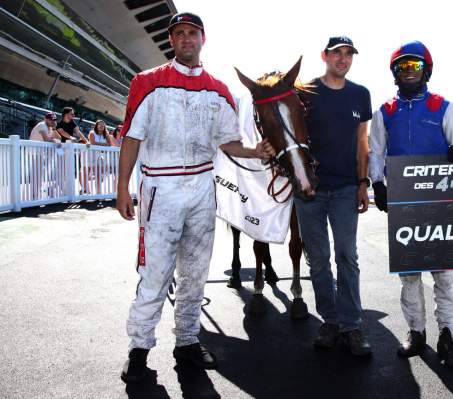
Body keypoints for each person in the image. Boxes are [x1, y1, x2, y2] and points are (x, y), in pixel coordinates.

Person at [116, 12, 275, 383]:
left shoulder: (219, 90)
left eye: (192, 33)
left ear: (203, 39)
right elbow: (132, 138)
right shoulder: (147, 82)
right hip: (160, 188)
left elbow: (229, 143)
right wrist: (122, 187)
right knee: (154, 273)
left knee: (195, 272)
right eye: (180, 34)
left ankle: (186, 341)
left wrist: (256, 152)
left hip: (203, 189)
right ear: (172, 40)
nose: (186, 39)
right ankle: (138, 350)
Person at [369, 40, 453, 369]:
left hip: (440, 205)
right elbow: (376, 151)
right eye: (402, 67)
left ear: (427, 69)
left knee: (444, 274)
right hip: (403, 205)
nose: (409, 73)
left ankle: (448, 337)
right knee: (409, 274)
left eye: (415, 66)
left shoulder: (443, 106)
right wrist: (377, 184)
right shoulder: (385, 111)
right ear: (394, 73)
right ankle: (416, 331)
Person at [295, 36, 372, 357]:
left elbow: (362, 142)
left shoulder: (360, 94)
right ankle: (329, 320)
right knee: (318, 260)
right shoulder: (305, 92)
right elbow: (291, 136)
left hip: (344, 188)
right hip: (309, 189)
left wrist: (363, 182)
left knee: (346, 256)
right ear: (324, 56)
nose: (343, 59)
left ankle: (351, 325)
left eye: (348, 54)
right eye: (337, 53)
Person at [87, 120, 111, 194]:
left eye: (103, 126)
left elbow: (109, 144)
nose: (101, 127)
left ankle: (98, 192)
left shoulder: (106, 134)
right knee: (88, 173)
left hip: (101, 156)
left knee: (100, 174)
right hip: (91, 155)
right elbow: (93, 143)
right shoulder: (92, 132)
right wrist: (103, 145)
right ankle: (88, 190)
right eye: (100, 125)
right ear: (96, 125)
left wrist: (99, 145)